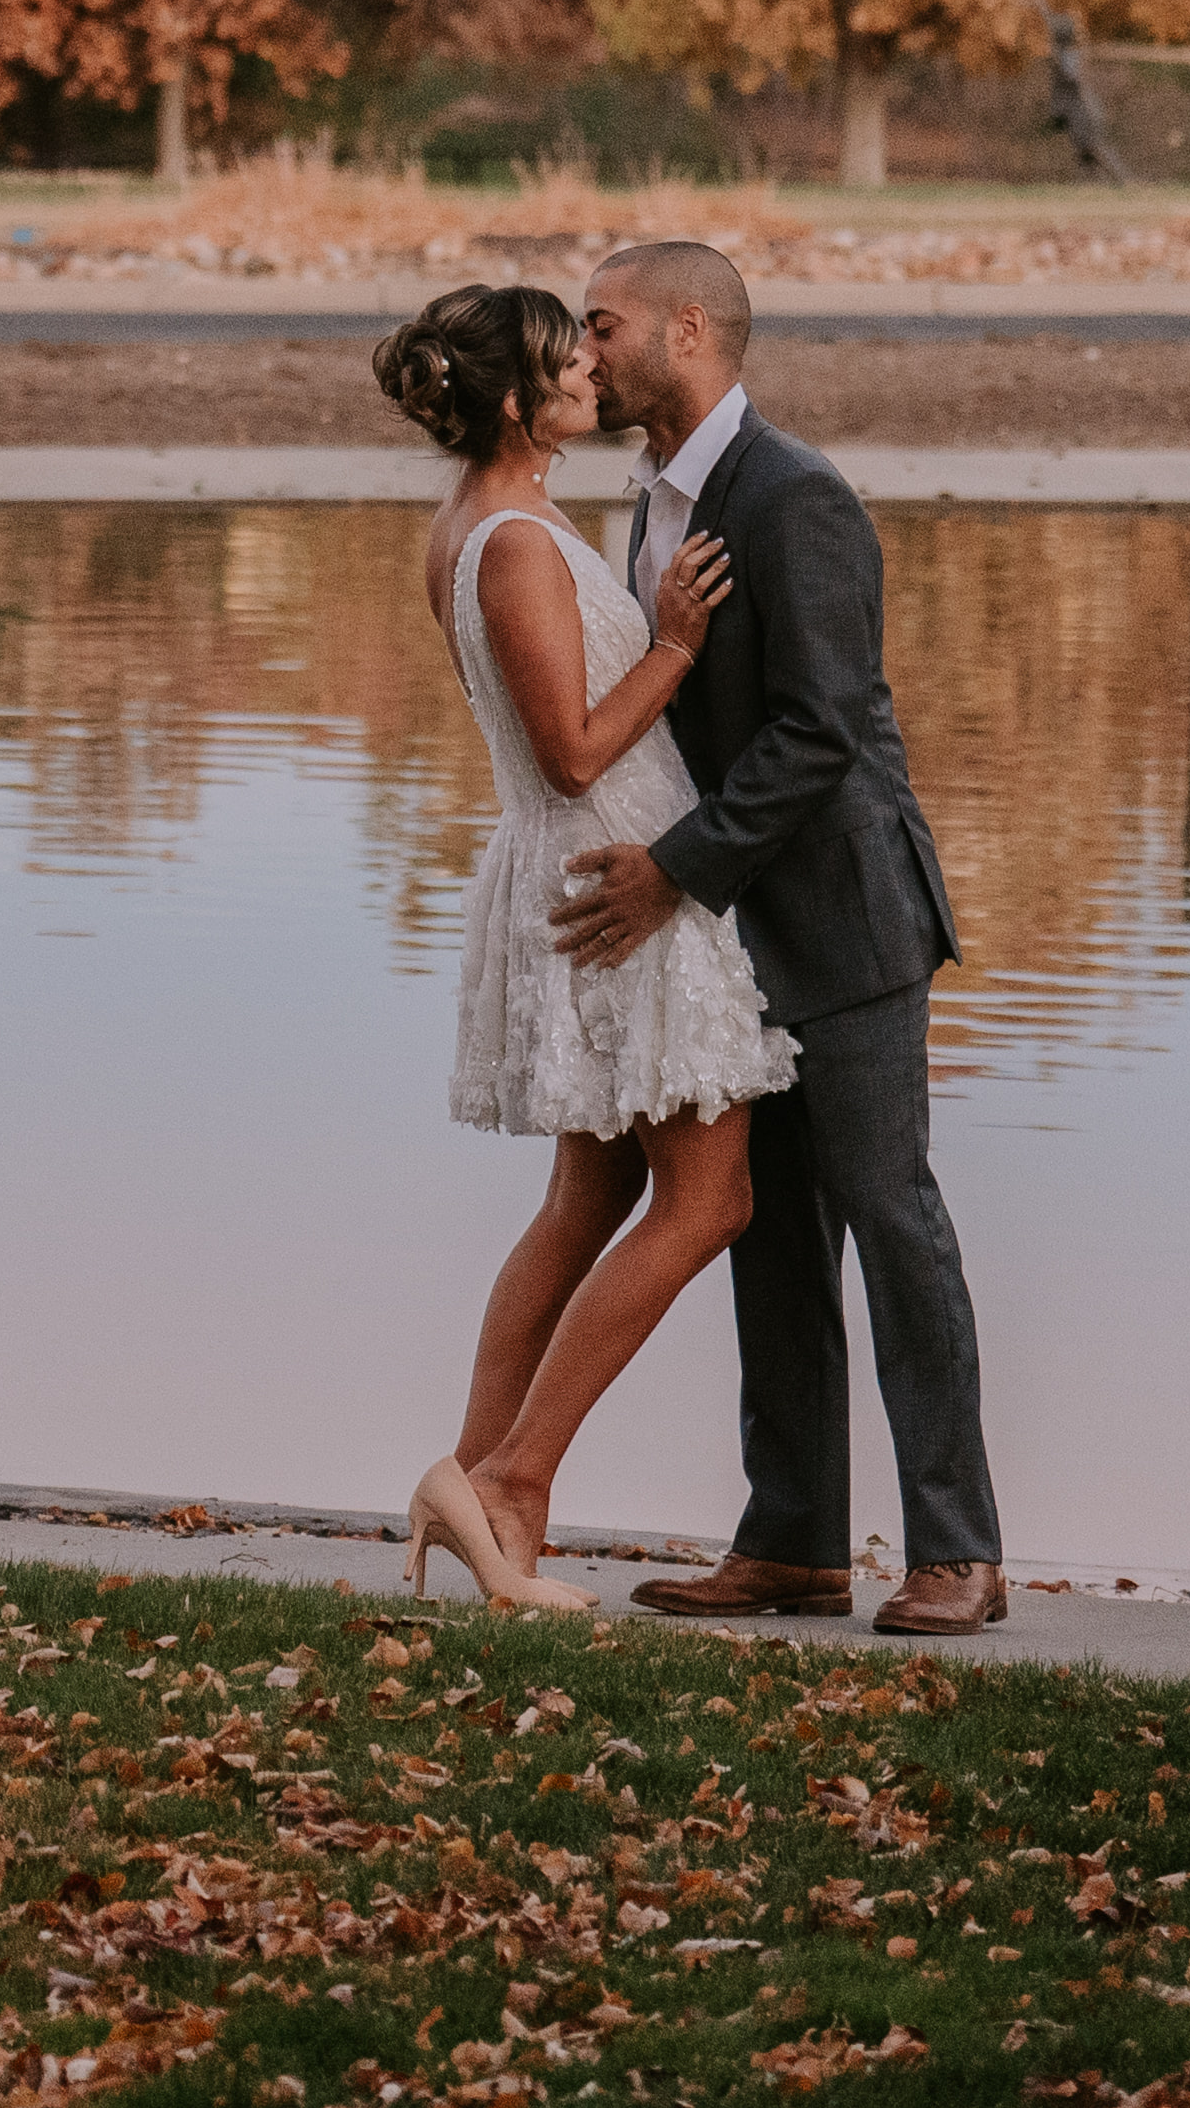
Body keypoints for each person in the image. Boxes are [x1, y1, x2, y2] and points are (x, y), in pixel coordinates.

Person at [547, 236, 1008, 1636]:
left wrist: (671, 875)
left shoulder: (794, 496)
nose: (584, 349)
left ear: (688, 331)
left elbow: (824, 732)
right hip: (743, 932)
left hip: (848, 922)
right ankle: (797, 1540)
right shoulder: (653, 503)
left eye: (603, 324)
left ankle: (961, 1552)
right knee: (766, 1233)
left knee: (890, 1215)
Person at [382, 279, 792, 1614]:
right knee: (709, 1200)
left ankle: (495, 1497)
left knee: (587, 1203)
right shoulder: (508, 541)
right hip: (617, 882)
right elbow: (566, 756)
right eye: (567, 368)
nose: (588, 382)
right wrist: (673, 643)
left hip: (591, 881)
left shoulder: (490, 521)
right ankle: (507, 1481)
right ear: (516, 402)